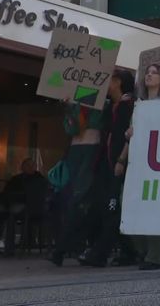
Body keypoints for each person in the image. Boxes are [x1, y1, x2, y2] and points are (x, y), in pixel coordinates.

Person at [78, 70, 136, 267]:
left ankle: (100, 253)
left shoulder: (129, 106)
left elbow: (129, 136)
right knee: (109, 208)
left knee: (113, 209)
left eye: (109, 80)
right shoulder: (112, 106)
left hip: (121, 166)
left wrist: (121, 161)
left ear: (118, 82)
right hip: (107, 165)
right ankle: (129, 251)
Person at [119, 64, 160, 270]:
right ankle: (144, 250)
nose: (149, 75)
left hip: (158, 163)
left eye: (155, 73)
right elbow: (131, 136)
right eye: (147, 73)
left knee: (154, 208)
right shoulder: (139, 104)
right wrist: (121, 159)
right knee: (128, 203)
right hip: (137, 161)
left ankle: (154, 255)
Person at [49, 90, 109, 266]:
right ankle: (66, 247)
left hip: (91, 151)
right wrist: (69, 107)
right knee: (71, 200)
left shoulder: (103, 102)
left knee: (78, 200)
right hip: (77, 152)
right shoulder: (74, 102)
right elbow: (71, 128)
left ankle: (63, 248)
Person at [3, 158, 49, 256]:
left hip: (32, 208)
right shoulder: (17, 180)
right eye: (28, 166)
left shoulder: (41, 180)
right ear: (22, 167)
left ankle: (9, 248)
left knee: (11, 214)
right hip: (37, 209)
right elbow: (7, 193)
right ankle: (12, 246)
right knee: (11, 213)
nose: (31, 168)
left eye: (33, 166)